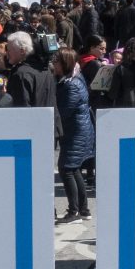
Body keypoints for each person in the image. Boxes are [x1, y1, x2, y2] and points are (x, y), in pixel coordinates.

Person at [52, 47, 95, 223]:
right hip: (78, 130)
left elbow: (64, 111)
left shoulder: (72, 84)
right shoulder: (72, 80)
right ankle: (83, 209)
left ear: (65, 63)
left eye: (56, 61)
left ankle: (74, 211)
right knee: (73, 168)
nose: (53, 64)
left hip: (76, 131)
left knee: (66, 168)